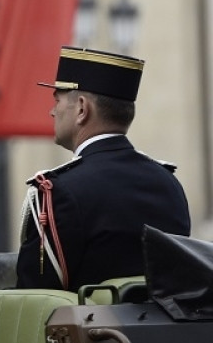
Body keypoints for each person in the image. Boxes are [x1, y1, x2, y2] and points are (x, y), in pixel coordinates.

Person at [16, 46, 191, 290]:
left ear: (81, 109)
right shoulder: (168, 184)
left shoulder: (59, 192)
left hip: (90, 329)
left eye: (57, 101)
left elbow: (34, 297)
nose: (51, 111)